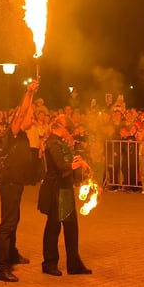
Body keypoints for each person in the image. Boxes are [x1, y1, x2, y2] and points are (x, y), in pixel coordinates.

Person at [0, 81, 39, 283]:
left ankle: (11, 254)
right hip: (9, 182)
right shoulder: (13, 132)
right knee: (7, 223)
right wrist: (28, 93)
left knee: (14, 220)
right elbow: (21, 113)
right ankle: (0, 268)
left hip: (16, 182)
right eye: (32, 116)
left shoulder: (23, 136)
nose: (33, 119)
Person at [38, 115, 92, 277]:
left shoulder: (60, 142)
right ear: (60, 127)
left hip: (65, 190)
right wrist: (79, 164)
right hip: (56, 190)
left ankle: (74, 264)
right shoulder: (52, 143)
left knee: (71, 228)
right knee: (53, 228)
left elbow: (66, 160)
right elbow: (61, 166)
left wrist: (78, 159)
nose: (69, 132)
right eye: (67, 129)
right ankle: (49, 263)